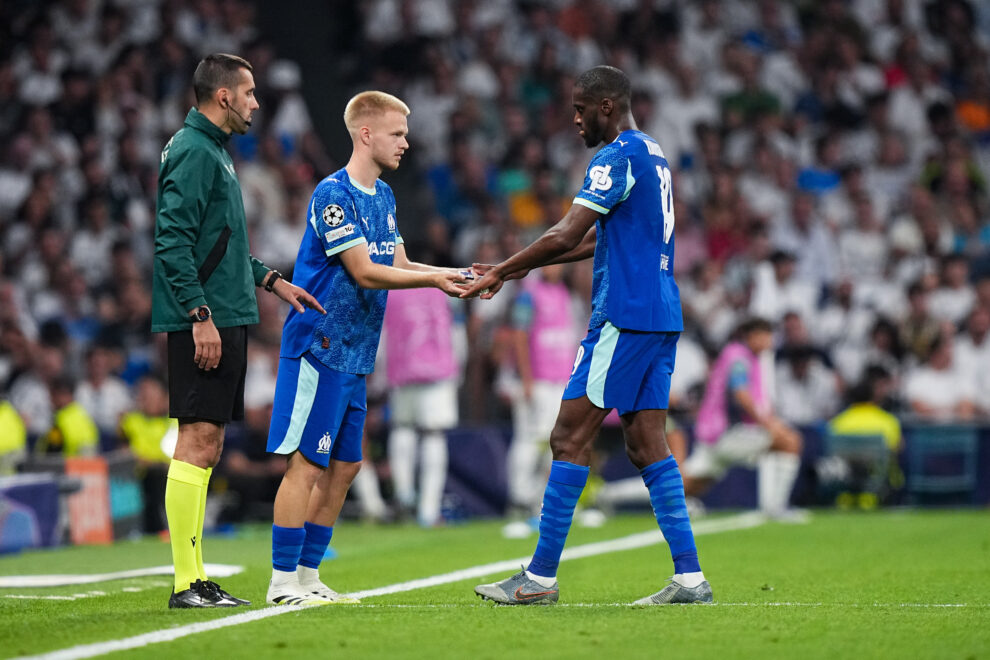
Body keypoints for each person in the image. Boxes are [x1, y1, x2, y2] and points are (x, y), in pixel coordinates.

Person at [463, 66, 710, 606]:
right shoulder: (653, 152)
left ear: (606, 106)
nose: (573, 119)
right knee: (647, 445)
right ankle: (690, 580)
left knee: (568, 438)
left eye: (579, 108)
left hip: (624, 315)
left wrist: (501, 270)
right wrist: (523, 266)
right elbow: (603, 236)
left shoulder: (616, 154)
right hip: (661, 314)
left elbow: (566, 232)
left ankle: (539, 579)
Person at [265, 91, 467, 607]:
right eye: (398, 133)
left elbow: (397, 258)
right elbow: (364, 270)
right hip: (320, 345)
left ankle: (309, 576)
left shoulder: (384, 196)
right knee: (307, 466)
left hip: (356, 352)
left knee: (347, 466)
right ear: (366, 134)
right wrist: (437, 281)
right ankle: (282, 583)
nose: (407, 142)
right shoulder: (333, 194)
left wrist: (455, 275)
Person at [152, 53, 324, 609]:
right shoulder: (195, 151)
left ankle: (194, 577)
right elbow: (171, 242)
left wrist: (273, 281)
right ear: (222, 96)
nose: (255, 102)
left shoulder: (214, 152)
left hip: (226, 312)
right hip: (206, 319)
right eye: (248, 92)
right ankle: (185, 582)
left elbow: (220, 247)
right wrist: (199, 316)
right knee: (196, 441)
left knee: (209, 442)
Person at [683, 318, 805, 519]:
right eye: (766, 336)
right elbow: (740, 393)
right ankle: (777, 509)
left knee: (686, 487)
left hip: (714, 431)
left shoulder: (742, 356)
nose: (770, 341)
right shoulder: (739, 356)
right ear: (752, 336)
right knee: (790, 441)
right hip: (727, 431)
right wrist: (768, 423)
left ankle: (616, 495)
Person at [383, 287, 460, 528]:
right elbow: (457, 331)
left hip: (402, 369)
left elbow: (382, 333)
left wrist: (383, 373)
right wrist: (457, 368)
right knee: (433, 434)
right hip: (438, 371)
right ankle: (428, 511)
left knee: (402, 428)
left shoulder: (390, 290)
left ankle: (404, 494)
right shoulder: (444, 289)